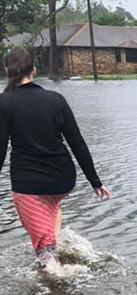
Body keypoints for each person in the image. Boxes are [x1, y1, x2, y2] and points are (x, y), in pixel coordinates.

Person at [0, 48, 111, 268]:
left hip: (29, 184)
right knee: (51, 205)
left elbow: (0, 149)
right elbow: (77, 143)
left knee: (45, 255)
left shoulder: (4, 102)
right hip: (63, 180)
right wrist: (95, 181)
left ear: (7, 70)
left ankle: (56, 278)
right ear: (34, 70)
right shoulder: (56, 99)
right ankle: (55, 243)